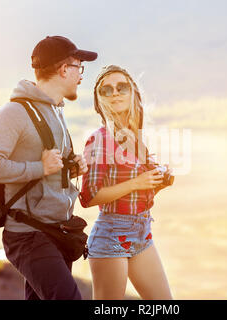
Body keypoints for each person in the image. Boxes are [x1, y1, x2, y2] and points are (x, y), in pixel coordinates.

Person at [0, 36, 96, 300]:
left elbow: (49, 166)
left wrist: (70, 168)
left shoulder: (55, 110)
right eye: (79, 67)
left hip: (58, 232)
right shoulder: (13, 113)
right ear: (64, 69)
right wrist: (39, 168)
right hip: (29, 236)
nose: (81, 76)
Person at [79, 65, 173, 300]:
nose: (115, 93)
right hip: (111, 235)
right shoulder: (99, 139)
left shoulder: (135, 137)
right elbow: (88, 197)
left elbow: (137, 191)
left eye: (122, 87)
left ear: (133, 93)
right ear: (100, 100)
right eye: (106, 90)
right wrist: (137, 183)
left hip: (142, 233)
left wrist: (157, 181)